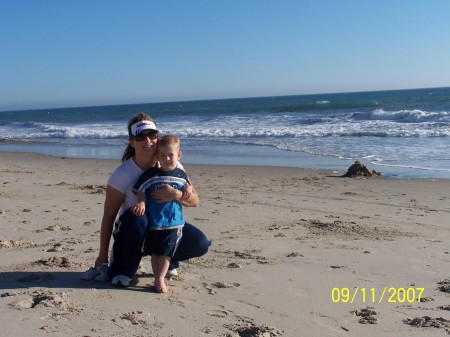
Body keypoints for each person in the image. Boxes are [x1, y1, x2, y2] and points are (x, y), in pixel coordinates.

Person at [81, 113, 210, 287]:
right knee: (136, 218)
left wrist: (176, 195)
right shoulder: (122, 175)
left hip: (165, 227)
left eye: (152, 135)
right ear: (132, 141)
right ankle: (123, 264)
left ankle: (168, 257)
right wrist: (102, 255)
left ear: (158, 137)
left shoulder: (173, 165)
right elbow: (109, 217)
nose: (148, 141)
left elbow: (194, 200)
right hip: (134, 231)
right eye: (141, 136)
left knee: (200, 243)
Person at [131, 134, 191, 293]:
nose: (167, 159)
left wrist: (187, 190)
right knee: (155, 252)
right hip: (155, 222)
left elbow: (188, 188)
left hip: (174, 222)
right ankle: (158, 276)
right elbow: (140, 191)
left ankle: (159, 279)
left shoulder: (181, 174)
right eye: (163, 156)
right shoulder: (151, 175)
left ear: (178, 155)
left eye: (171, 155)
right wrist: (141, 202)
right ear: (157, 156)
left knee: (165, 253)